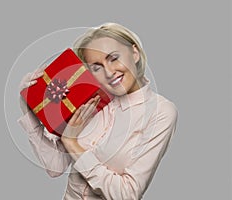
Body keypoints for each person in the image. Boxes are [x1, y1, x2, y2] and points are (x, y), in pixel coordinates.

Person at [18, 22, 178, 200]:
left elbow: (127, 194)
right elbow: (55, 167)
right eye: (96, 67)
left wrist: (72, 143)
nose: (109, 72)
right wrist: (28, 106)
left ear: (135, 53)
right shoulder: (91, 100)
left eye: (114, 58)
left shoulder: (161, 112)